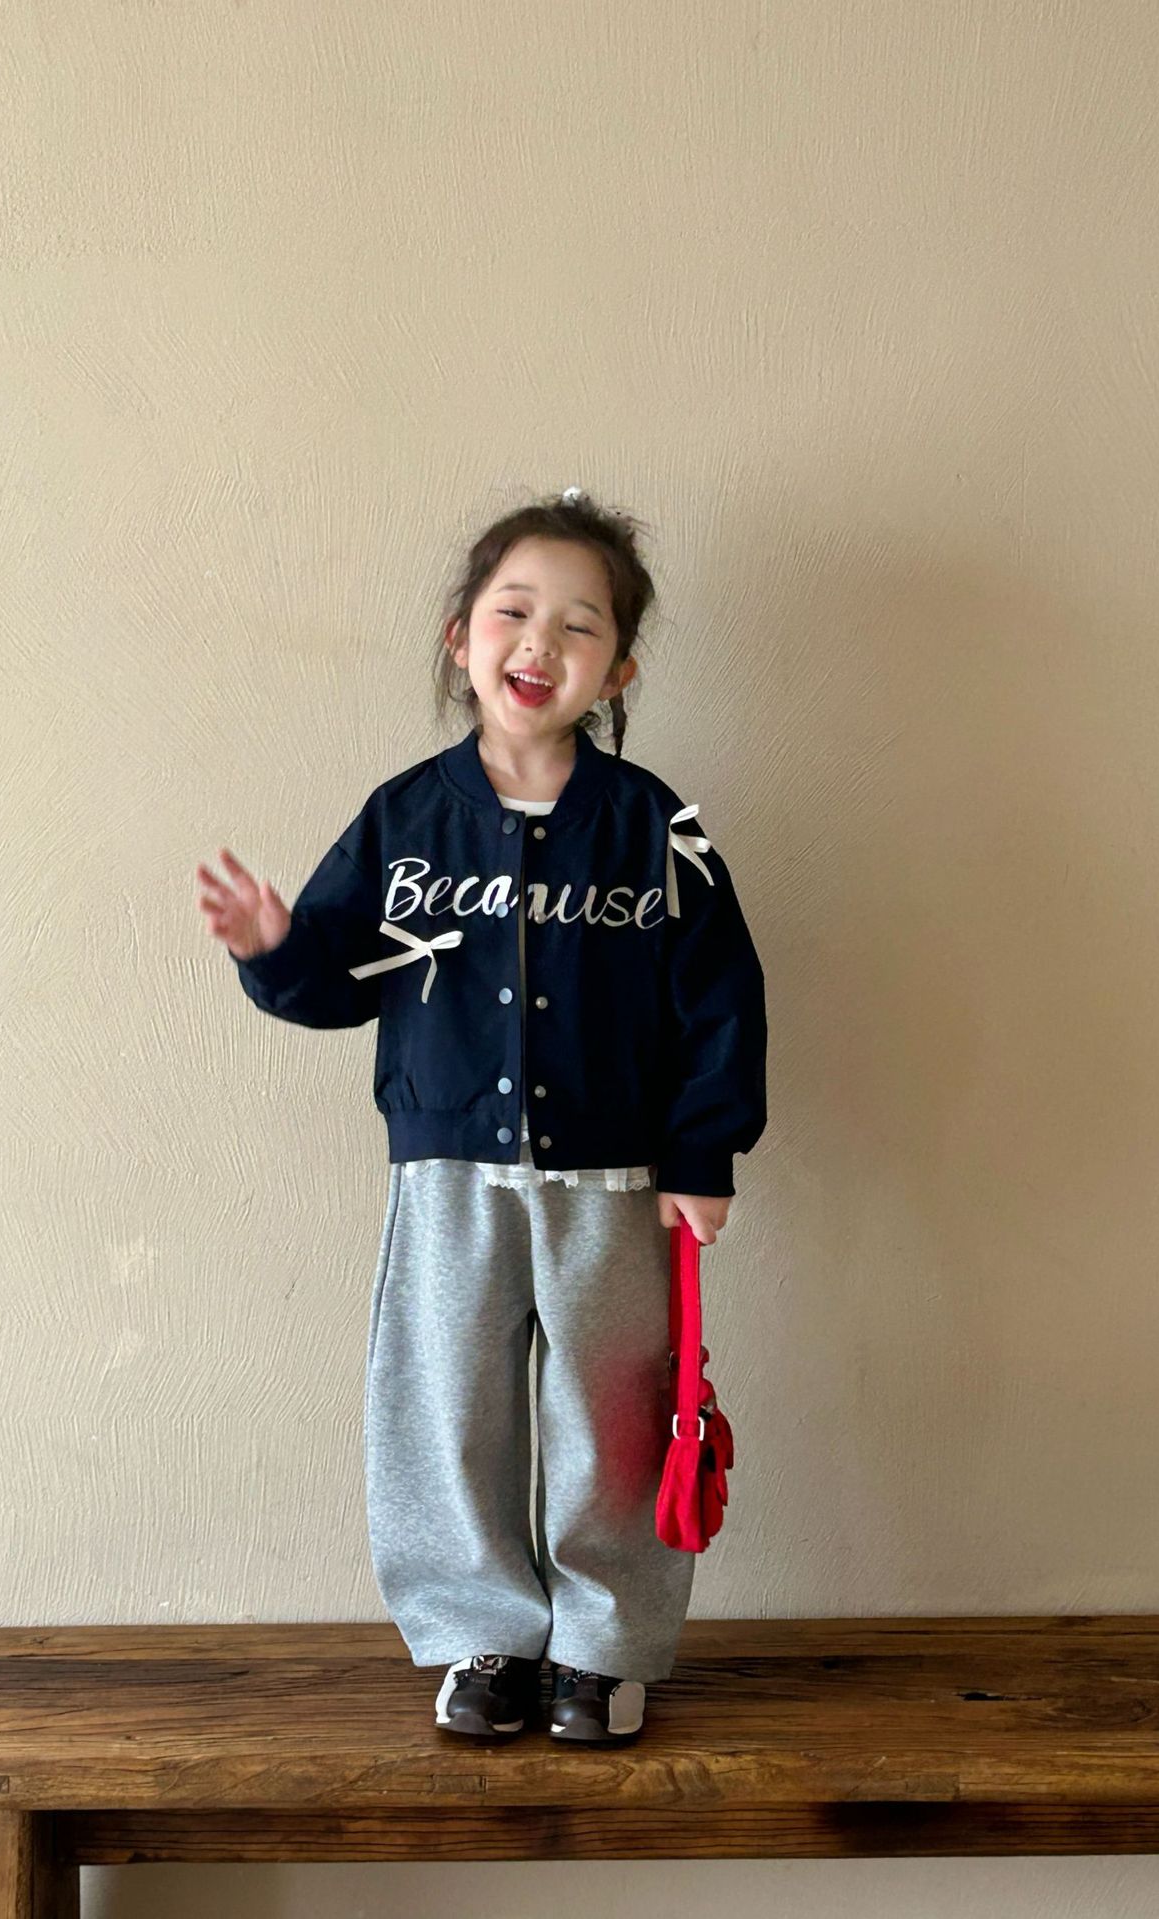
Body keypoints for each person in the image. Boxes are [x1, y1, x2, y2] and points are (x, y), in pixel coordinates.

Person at [195, 487, 768, 1745]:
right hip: (446, 1176)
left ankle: (602, 1648)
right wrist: (277, 948)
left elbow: (720, 994)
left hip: (616, 1181)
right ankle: (481, 1635)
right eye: (514, 611)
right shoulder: (404, 819)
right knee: (445, 1407)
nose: (540, 641)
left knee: (614, 1417)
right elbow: (337, 980)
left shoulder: (653, 825)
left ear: (617, 669)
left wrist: (703, 1148)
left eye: (579, 624)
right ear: (462, 637)